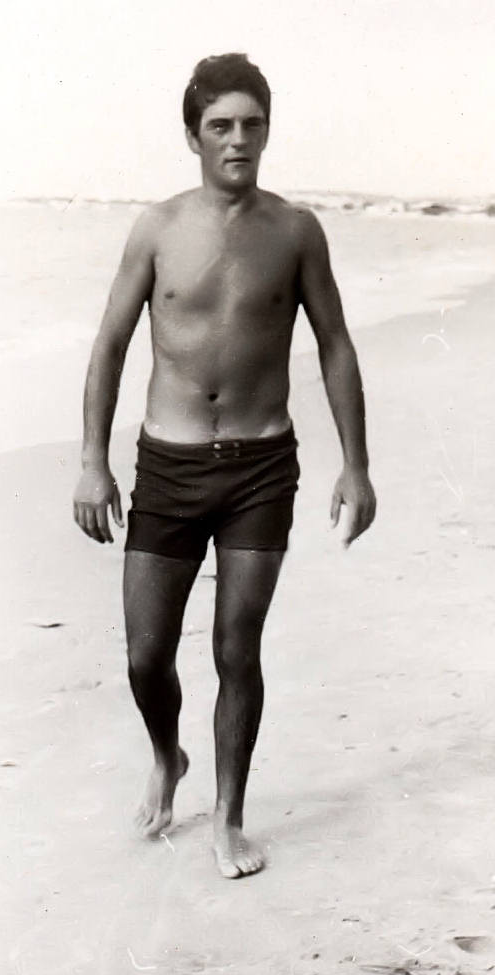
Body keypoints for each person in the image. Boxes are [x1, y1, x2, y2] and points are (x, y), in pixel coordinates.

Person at [73, 53, 376, 878]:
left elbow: (335, 344)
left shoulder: (296, 231)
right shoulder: (157, 228)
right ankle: (166, 755)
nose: (237, 139)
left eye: (251, 124)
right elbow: (108, 345)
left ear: (266, 131)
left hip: (259, 468)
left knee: (237, 649)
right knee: (145, 657)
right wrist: (94, 463)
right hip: (167, 467)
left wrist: (355, 466)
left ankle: (230, 818)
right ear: (192, 136)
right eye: (220, 126)